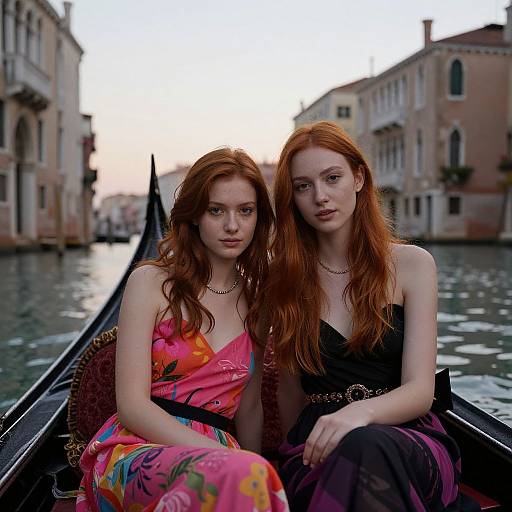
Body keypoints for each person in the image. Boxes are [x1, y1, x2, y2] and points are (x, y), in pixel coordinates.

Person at [261, 121, 462, 511]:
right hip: (317, 446)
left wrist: (358, 413)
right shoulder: (283, 278)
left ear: (358, 178)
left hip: (408, 437)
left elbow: (421, 391)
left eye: (332, 178)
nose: (320, 196)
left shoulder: (413, 265)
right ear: (293, 199)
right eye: (303, 186)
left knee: (364, 445)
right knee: (352, 456)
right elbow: (289, 393)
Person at [77, 148, 289, 512]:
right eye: (216, 210)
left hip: (226, 461)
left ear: (259, 219)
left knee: (243, 480)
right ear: (193, 217)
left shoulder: (259, 302)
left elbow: (250, 408)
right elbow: (131, 405)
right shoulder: (151, 283)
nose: (232, 226)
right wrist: (228, 458)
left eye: (245, 211)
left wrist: (252, 467)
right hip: (138, 449)